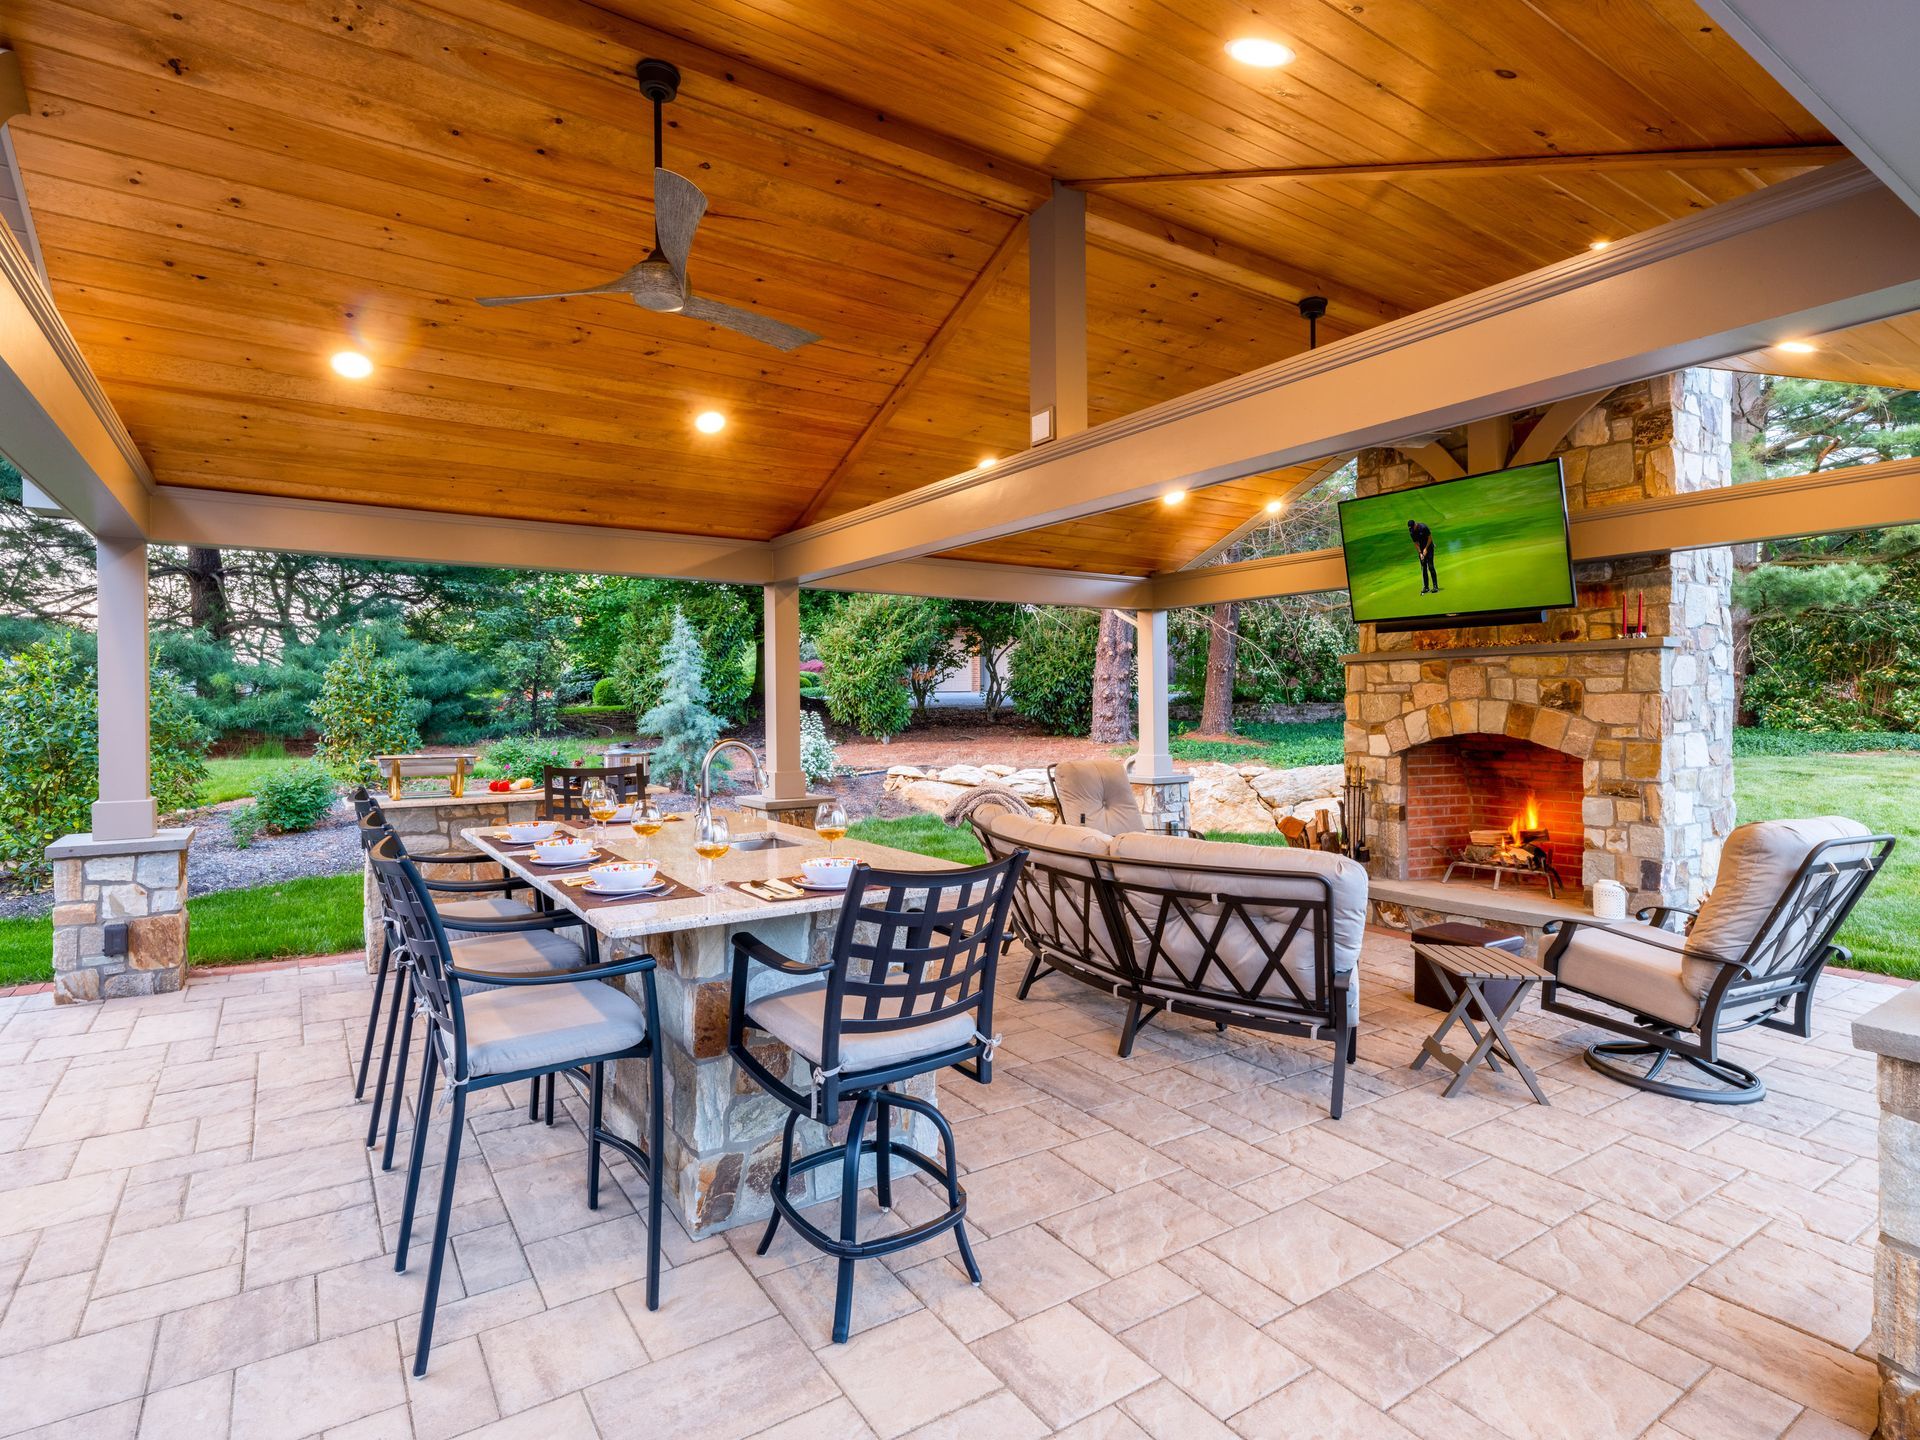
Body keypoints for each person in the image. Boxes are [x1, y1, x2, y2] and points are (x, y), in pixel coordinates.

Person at [1407, 518, 1440, 593]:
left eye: (1412, 527)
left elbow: (1430, 538)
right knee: (1424, 567)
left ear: (1415, 524)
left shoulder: (1423, 527)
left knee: (1431, 566)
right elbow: (1416, 543)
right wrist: (1420, 553)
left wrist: (1426, 549)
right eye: (1410, 528)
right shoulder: (1411, 531)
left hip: (1429, 546)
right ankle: (1426, 587)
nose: (1412, 529)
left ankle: (1435, 587)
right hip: (1421, 548)